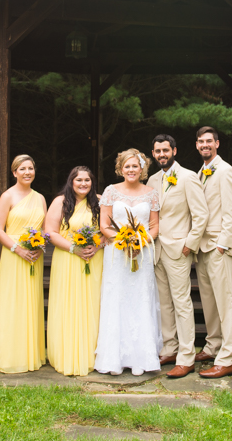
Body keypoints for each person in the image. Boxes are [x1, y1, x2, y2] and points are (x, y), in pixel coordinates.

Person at [94, 149, 162, 376]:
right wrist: (123, 241)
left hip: (142, 255)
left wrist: (139, 243)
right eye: (127, 166)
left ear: (142, 168)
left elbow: (154, 226)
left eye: (135, 166)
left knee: (141, 299)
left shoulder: (151, 194)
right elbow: (104, 225)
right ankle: (114, 358)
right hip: (116, 255)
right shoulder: (110, 192)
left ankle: (141, 359)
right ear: (120, 169)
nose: (131, 170)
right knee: (117, 299)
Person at [147, 134, 208, 379]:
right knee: (164, 303)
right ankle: (169, 347)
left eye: (165, 150)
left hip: (178, 249)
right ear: (153, 154)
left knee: (182, 303)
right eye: (157, 151)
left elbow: (201, 215)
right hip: (157, 250)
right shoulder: (151, 180)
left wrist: (189, 244)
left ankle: (186, 356)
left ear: (174, 150)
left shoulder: (188, 177)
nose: (162, 154)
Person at [0, 154, 49, 373]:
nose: (27, 172)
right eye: (22, 169)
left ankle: (31, 354)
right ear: (14, 172)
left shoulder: (41, 198)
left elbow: (44, 228)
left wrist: (38, 245)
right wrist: (18, 249)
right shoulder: (7, 196)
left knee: (31, 303)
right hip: (14, 254)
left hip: (34, 255)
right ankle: (11, 356)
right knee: (13, 302)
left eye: (30, 168)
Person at [46, 166, 105, 376]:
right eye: (78, 180)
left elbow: (108, 230)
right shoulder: (60, 202)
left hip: (94, 259)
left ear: (92, 182)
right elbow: (50, 232)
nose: (83, 184)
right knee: (68, 303)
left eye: (87, 180)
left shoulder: (100, 200)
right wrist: (74, 248)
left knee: (93, 304)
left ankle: (94, 353)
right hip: (68, 259)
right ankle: (67, 352)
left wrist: (97, 246)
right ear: (71, 182)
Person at [194, 127, 232, 380]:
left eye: (209, 142)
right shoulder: (201, 172)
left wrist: (223, 243)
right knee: (210, 303)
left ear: (217, 144)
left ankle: (228, 357)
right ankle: (213, 345)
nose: (205, 145)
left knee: (226, 302)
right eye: (201, 142)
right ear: (197, 145)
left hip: (217, 245)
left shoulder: (225, 171)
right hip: (201, 247)